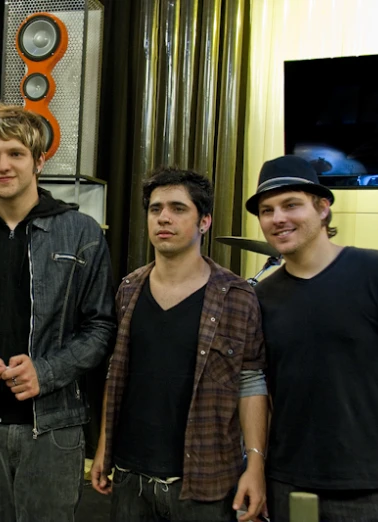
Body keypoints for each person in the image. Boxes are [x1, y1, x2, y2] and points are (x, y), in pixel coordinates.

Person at [0, 103, 117, 522]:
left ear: (39, 161)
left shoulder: (81, 232)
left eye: (15, 153)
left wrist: (45, 372)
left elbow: (101, 327)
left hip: (53, 428)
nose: (4, 164)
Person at [92, 168, 269, 522]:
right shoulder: (129, 289)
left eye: (178, 208)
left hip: (204, 481)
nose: (164, 218)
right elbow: (117, 374)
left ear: (204, 222)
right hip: (131, 476)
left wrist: (255, 465)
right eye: (156, 209)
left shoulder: (236, 296)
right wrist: (102, 448)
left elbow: (250, 384)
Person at [247, 155, 378, 521]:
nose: (278, 218)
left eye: (291, 205)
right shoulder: (261, 297)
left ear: (323, 208)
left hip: (373, 489)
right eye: (267, 210)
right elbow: (259, 390)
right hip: (288, 485)